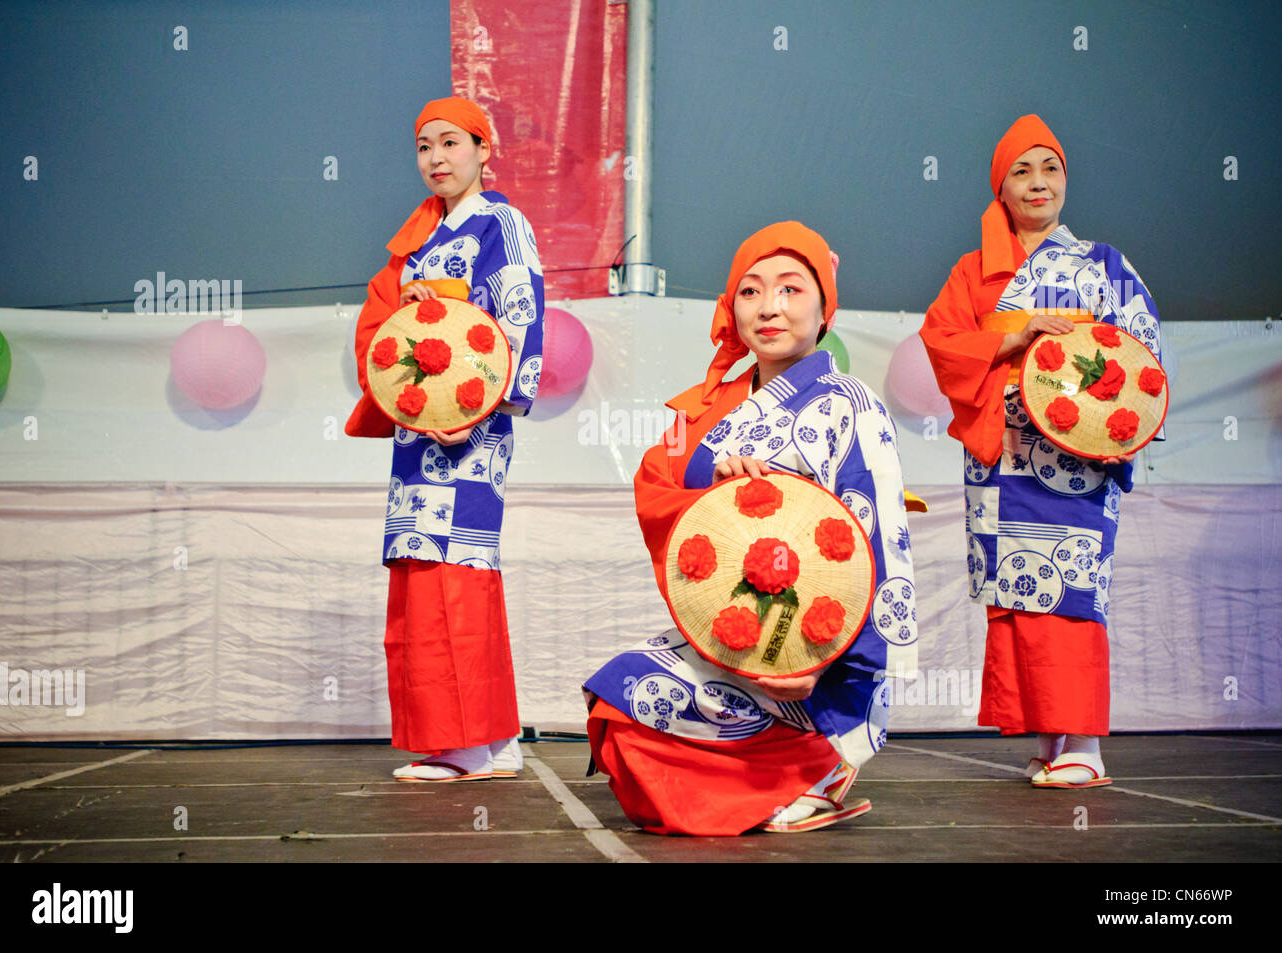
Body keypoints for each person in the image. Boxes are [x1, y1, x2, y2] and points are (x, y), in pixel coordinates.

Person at [583, 222, 919, 834]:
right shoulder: (710, 408)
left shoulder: (851, 405)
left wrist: (822, 658)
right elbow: (657, 486)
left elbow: (878, 543)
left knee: (639, 709)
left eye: (791, 290)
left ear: (824, 309)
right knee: (619, 704)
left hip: (813, 643)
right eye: (751, 291)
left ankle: (821, 762)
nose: (769, 307)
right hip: (735, 629)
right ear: (732, 308)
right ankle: (777, 783)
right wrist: (717, 478)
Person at [920, 114, 1163, 788]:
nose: (1037, 182)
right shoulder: (973, 272)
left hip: (1076, 465)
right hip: (1003, 461)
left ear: (1065, 180)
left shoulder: (1105, 265)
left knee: (1071, 592)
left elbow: (1141, 356)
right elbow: (941, 343)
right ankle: (1053, 737)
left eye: (1049, 167)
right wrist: (1013, 338)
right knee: (1022, 596)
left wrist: (1114, 431)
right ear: (1000, 188)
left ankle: (1084, 742)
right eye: (1020, 171)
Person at [345, 96, 545, 781]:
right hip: (417, 435)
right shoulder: (419, 244)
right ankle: (490, 740)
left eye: (451, 143)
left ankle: (465, 742)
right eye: (424, 145)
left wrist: (485, 405)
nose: (436, 157)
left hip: (471, 429)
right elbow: (392, 341)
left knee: (454, 574)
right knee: (425, 571)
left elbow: (520, 318)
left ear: (484, 150)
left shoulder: (501, 224)